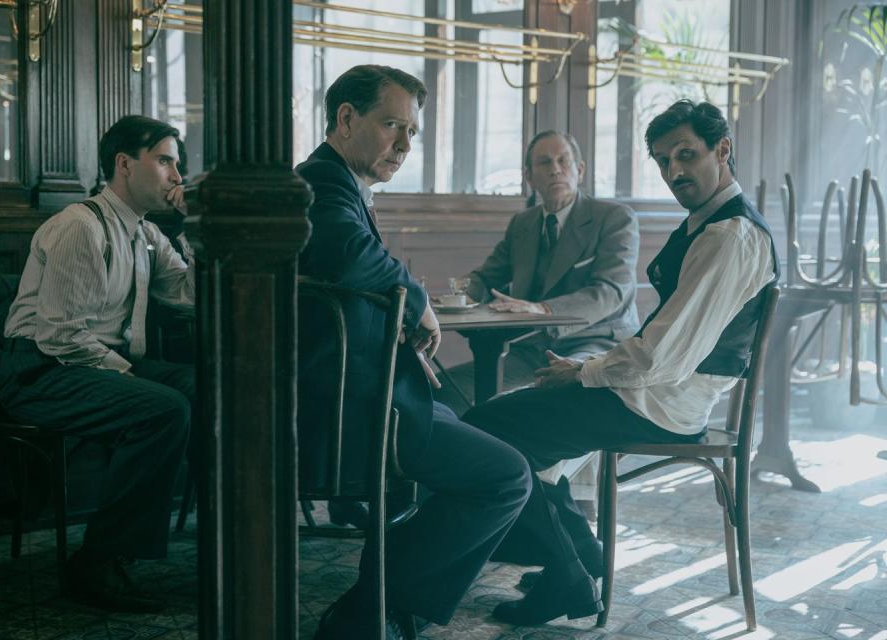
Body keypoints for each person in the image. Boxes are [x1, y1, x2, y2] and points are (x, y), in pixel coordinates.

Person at [463, 99, 778, 626]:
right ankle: (582, 557)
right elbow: (661, 344)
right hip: (657, 390)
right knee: (509, 426)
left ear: (722, 150)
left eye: (686, 155)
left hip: (664, 402)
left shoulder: (728, 236)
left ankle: (568, 576)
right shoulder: (711, 225)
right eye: (662, 160)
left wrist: (583, 371)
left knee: (487, 430)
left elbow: (661, 354)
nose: (673, 171)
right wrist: (589, 371)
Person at [295, 64, 532, 639]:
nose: (403, 145)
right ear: (346, 119)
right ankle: (375, 609)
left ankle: (566, 574)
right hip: (356, 410)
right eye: (392, 125)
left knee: (496, 437)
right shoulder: (320, 184)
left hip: (373, 391)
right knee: (508, 476)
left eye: (412, 132)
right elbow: (348, 254)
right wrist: (417, 299)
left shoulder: (337, 182)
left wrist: (402, 320)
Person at [0, 115, 195, 612]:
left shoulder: (147, 234)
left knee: (206, 387)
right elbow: (60, 334)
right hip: (41, 371)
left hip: (92, 363)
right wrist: (131, 375)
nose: (177, 176)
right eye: (166, 161)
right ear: (125, 165)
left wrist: (196, 225)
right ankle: (97, 561)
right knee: (163, 408)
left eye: (178, 163)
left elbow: (191, 295)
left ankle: (216, 534)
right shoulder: (79, 226)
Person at [434, 130, 639, 414]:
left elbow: (610, 292)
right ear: (529, 178)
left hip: (595, 346)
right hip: (530, 348)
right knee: (441, 392)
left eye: (562, 161)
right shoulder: (523, 224)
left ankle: (513, 454)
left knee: (545, 399)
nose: (555, 169)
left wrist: (541, 309)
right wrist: (456, 299)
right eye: (544, 163)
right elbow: (486, 277)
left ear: (579, 171)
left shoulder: (614, 218)